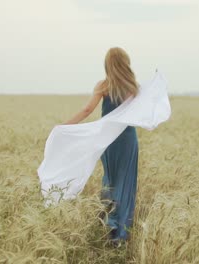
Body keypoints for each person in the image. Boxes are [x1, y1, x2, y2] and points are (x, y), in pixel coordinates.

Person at [62, 47, 140, 247]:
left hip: (108, 141)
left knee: (110, 180)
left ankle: (110, 223)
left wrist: (65, 127)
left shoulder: (103, 86)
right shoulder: (134, 87)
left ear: (107, 65)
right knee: (126, 183)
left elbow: (87, 109)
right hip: (128, 140)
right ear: (125, 63)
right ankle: (121, 235)